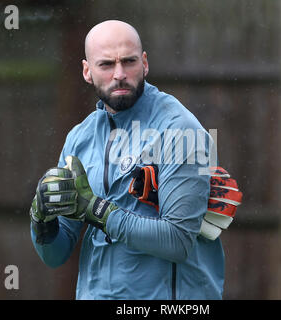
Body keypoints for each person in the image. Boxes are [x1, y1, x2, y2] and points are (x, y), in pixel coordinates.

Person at [29, 20, 227, 300]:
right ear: (87, 71)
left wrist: (99, 211)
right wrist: (42, 221)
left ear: (145, 63)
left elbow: (178, 240)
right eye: (107, 65)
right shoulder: (79, 138)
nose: (119, 74)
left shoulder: (180, 130)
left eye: (129, 62)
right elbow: (56, 254)